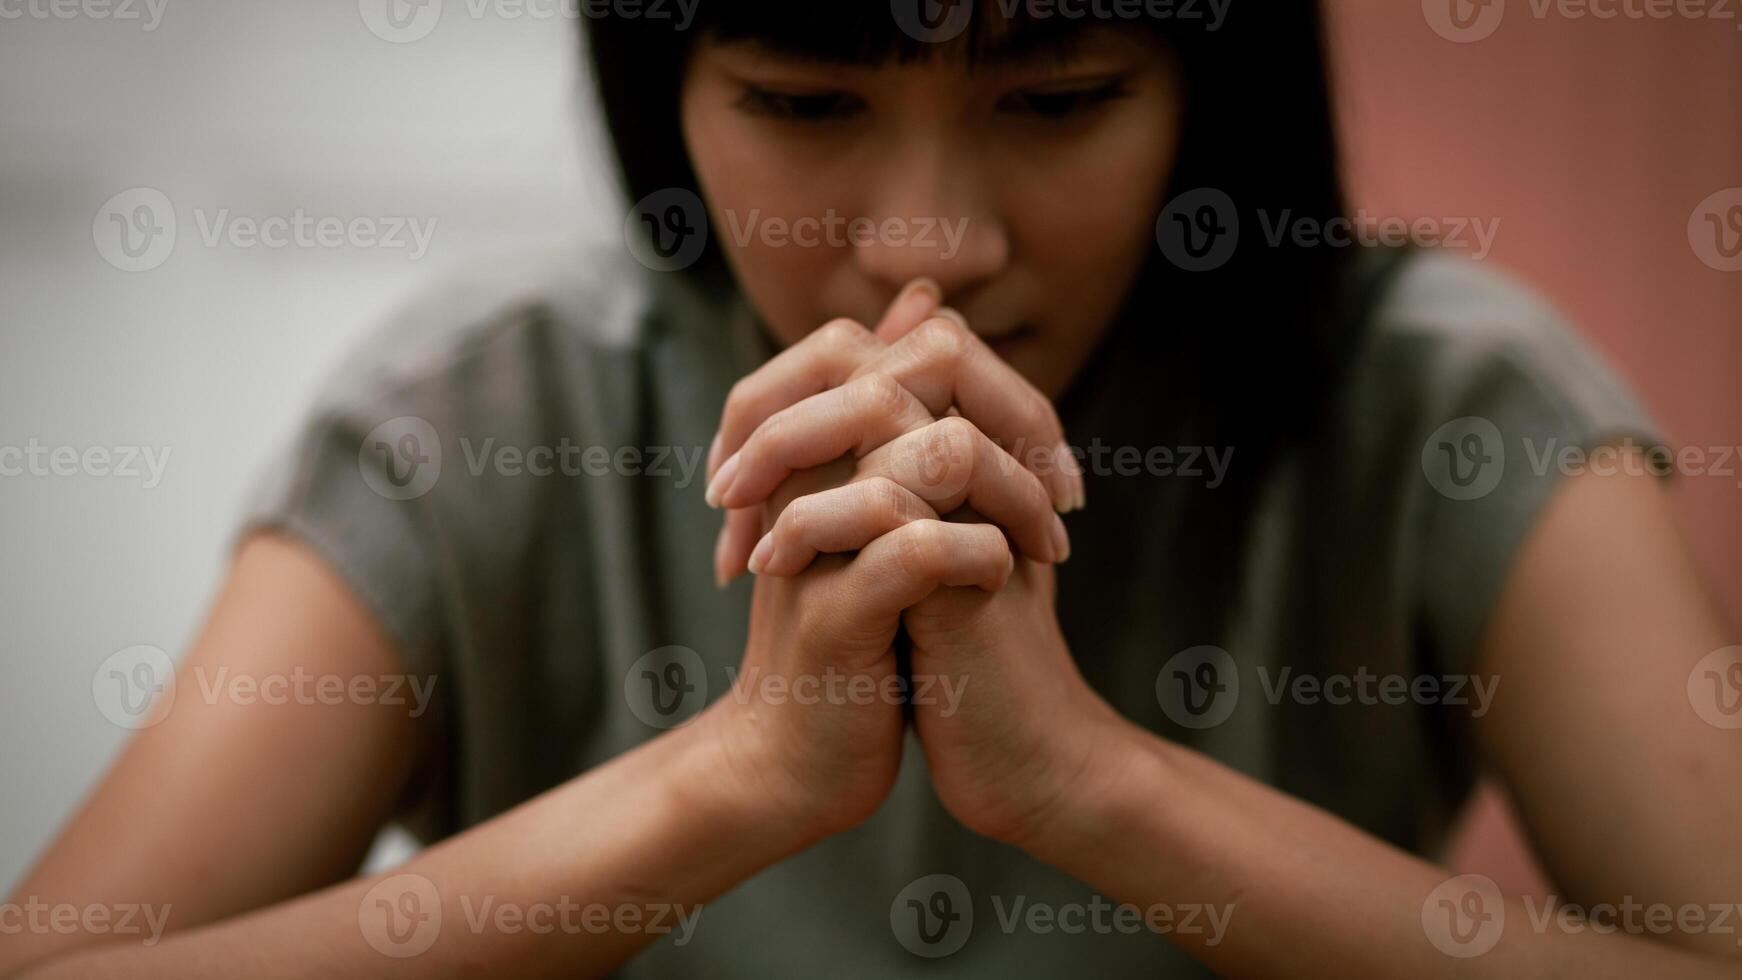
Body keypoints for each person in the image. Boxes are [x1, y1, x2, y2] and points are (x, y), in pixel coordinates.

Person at [6, 4, 1738, 977]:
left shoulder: (1440, 403)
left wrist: (1087, 783)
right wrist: (738, 775)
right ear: (657, 94)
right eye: (800, 99)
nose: (929, 240)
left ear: (1213, 97)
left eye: (1057, 100)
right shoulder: (482, 412)